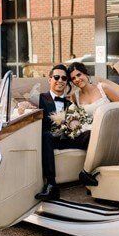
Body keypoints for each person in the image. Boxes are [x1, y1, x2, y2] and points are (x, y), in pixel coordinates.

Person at [36, 64, 91, 200]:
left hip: (67, 138)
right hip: (49, 139)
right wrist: (24, 106)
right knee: (46, 135)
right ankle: (51, 185)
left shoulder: (70, 102)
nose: (60, 80)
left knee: (91, 135)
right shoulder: (39, 98)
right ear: (49, 79)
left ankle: (91, 173)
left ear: (67, 82)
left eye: (64, 78)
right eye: (56, 77)